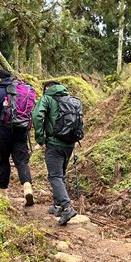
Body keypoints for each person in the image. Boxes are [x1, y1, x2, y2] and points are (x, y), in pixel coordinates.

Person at [32, 80, 84, 226]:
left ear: (47, 88)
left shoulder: (47, 98)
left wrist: (40, 138)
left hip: (54, 143)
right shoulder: (72, 100)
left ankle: (67, 207)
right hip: (69, 144)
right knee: (60, 175)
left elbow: (36, 116)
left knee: (55, 176)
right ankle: (58, 206)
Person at [0, 69, 35, 205]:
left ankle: (3, 193)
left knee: (2, 160)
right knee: (22, 161)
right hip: (21, 129)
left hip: (2, 130)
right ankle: (27, 187)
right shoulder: (22, 90)